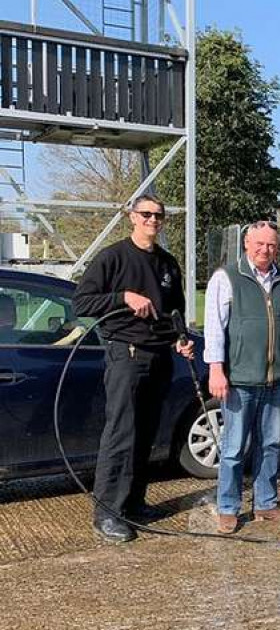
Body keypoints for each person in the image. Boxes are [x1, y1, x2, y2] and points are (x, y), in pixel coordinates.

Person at [72, 194, 194, 543]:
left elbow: (176, 313)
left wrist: (181, 339)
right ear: (132, 217)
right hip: (126, 353)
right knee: (122, 433)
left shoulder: (168, 263)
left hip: (160, 356)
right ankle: (108, 512)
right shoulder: (113, 257)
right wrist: (123, 297)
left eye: (158, 216)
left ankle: (134, 502)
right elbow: (81, 301)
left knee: (147, 432)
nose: (152, 220)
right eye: (146, 214)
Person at [204, 221, 280, 534]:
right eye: (259, 244)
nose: (265, 250)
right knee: (234, 448)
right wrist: (216, 369)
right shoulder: (227, 277)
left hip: (275, 380)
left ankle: (266, 503)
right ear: (246, 243)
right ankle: (227, 508)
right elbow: (214, 326)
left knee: (270, 445)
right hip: (239, 381)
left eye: (272, 245)